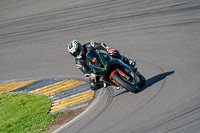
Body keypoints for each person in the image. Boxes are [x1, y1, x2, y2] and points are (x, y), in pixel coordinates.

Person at [68, 40, 136, 91]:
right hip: (96, 69)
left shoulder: (88, 45)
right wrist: (91, 74)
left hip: (103, 58)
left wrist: (107, 49)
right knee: (93, 86)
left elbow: (101, 45)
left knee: (114, 52)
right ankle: (109, 83)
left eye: (77, 51)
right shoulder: (78, 62)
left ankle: (128, 61)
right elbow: (85, 72)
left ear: (80, 47)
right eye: (74, 54)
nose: (77, 54)